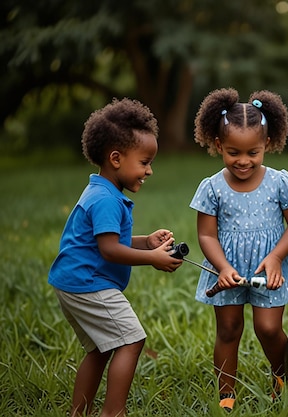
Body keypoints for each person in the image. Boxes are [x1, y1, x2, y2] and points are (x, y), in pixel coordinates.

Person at [48, 98, 183, 417]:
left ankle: (78, 412)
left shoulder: (101, 192)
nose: (149, 170)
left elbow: (109, 241)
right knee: (132, 340)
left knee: (99, 349)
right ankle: (114, 413)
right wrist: (152, 259)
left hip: (73, 281)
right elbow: (109, 250)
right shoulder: (106, 200)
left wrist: (146, 243)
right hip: (88, 283)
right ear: (116, 158)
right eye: (145, 162)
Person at [190, 88, 288, 412]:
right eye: (233, 152)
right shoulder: (212, 186)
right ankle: (227, 394)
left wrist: (276, 257)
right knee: (228, 329)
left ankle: (283, 377)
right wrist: (223, 267)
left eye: (252, 152)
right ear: (218, 146)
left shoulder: (279, 182)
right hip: (226, 269)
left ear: (267, 145)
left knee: (268, 328)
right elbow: (207, 235)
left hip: (269, 269)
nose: (243, 161)